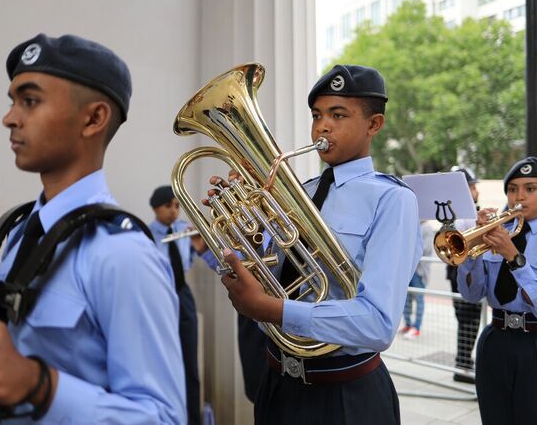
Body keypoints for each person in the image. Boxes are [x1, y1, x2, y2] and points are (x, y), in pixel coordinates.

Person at [0, 34, 185, 424]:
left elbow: (164, 417)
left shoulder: (123, 255)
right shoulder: (21, 231)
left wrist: (40, 387)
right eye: (13, 101)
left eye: (30, 101)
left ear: (93, 118)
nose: (9, 117)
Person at [208, 64, 422, 425]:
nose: (323, 126)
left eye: (338, 115)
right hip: (277, 383)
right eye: (317, 115)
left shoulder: (392, 199)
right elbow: (275, 273)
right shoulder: (302, 192)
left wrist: (273, 310)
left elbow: (378, 324)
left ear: (374, 125)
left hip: (344, 396)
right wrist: (247, 238)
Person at [456, 156, 537, 425]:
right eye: (512, 189)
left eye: (530, 188)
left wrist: (514, 257)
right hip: (495, 340)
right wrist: (472, 252)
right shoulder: (497, 234)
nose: (519, 196)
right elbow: (471, 294)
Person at [148, 185, 218, 425]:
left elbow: (199, 256)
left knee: (190, 361)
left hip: (182, 293)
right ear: (156, 208)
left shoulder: (183, 229)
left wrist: (200, 240)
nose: (174, 211)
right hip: (158, 296)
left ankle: (193, 420)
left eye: (177, 205)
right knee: (161, 361)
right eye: (169, 206)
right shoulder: (146, 235)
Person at [446, 166, 483, 383]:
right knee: (469, 320)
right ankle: (462, 365)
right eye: (471, 186)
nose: (475, 190)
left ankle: (464, 361)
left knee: (467, 320)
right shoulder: (463, 213)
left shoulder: (460, 211)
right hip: (462, 270)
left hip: (457, 271)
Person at [399, 220, 433, 339]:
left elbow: (425, 248)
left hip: (419, 270)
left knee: (419, 298)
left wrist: (409, 251)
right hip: (408, 269)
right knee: (406, 298)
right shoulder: (412, 224)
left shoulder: (427, 228)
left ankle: (416, 327)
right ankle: (408, 324)